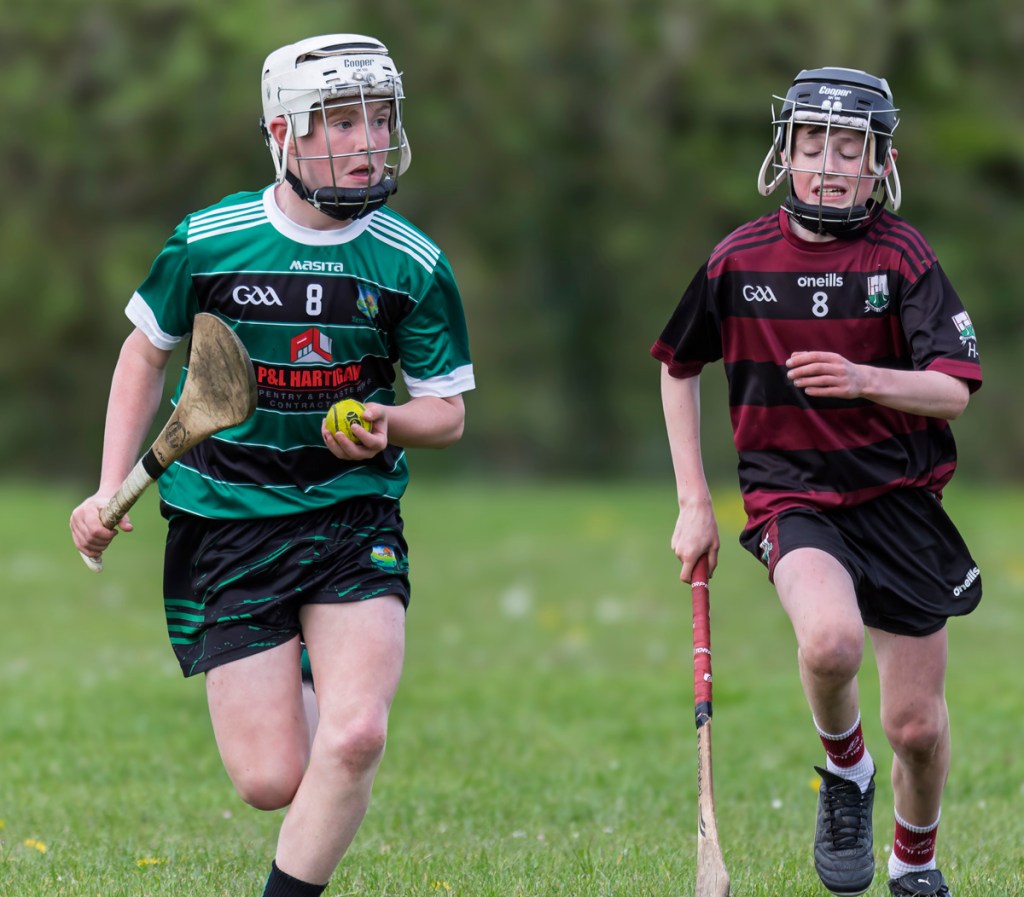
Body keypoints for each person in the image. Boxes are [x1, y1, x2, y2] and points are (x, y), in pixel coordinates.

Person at [70, 34, 474, 897]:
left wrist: (390, 422)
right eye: (340, 121)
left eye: (379, 118)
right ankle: (301, 658)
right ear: (283, 132)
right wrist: (109, 485)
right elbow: (145, 355)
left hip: (351, 515)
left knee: (355, 736)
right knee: (270, 780)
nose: (368, 141)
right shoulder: (209, 242)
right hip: (226, 520)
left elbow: (447, 413)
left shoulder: (411, 262)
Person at [651, 67, 981, 897]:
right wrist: (694, 500)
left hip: (900, 503)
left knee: (916, 727)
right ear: (784, 151)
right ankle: (846, 771)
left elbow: (952, 388)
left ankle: (915, 863)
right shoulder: (739, 259)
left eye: (849, 148)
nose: (829, 165)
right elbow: (677, 366)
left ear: (881, 162)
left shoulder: (902, 257)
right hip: (791, 497)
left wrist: (865, 379)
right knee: (829, 642)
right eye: (812, 144)